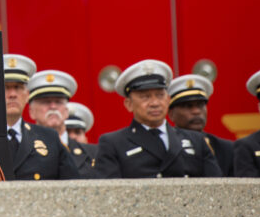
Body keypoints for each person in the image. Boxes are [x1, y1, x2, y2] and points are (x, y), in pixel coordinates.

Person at [92, 59, 221, 179]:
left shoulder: (196, 141)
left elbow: (217, 189)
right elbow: (108, 195)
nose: (154, 103)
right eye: (145, 97)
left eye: (160, 95)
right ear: (129, 104)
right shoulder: (113, 144)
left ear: (168, 100)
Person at [3, 55, 79, 180]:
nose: (12, 95)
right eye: (6, 87)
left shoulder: (50, 138)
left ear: (27, 95)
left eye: (18, 87)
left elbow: (74, 187)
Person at [27, 70, 95, 177]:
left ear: (66, 111)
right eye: (45, 102)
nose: (53, 107)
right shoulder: (22, 150)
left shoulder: (93, 153)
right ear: (31, 112)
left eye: (58, 102)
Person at [167, 74, 233, 176]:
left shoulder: (226, 148)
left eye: (200, 105)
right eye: (187, 106)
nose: (196, 111)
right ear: (171, 114)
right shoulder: (166, 146)